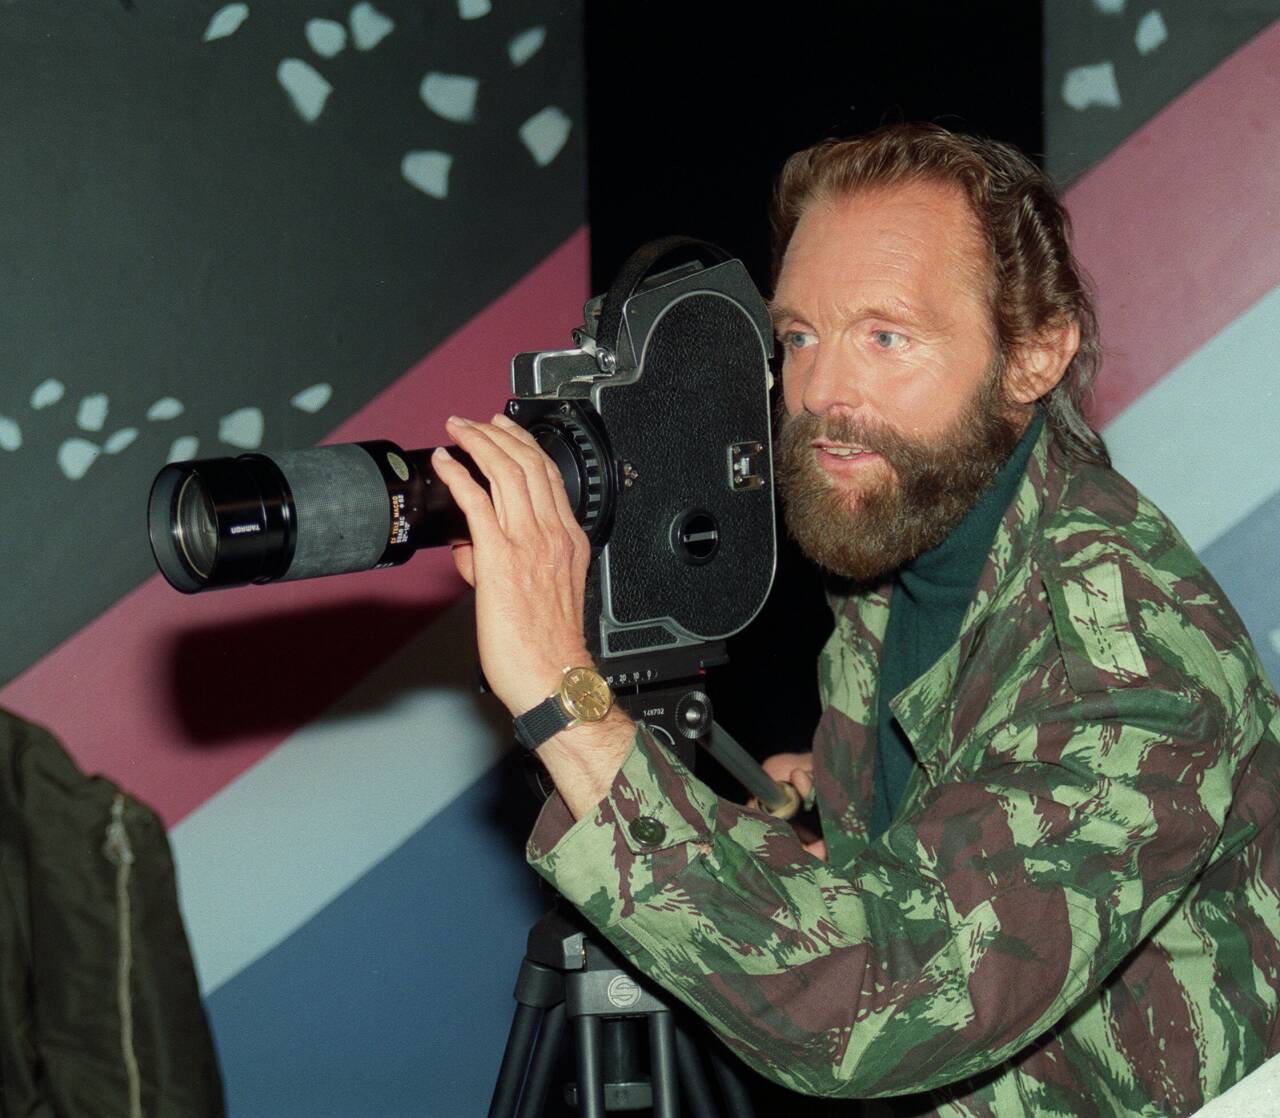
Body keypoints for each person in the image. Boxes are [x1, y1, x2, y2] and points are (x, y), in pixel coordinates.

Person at [432, 124, 1280, 1115]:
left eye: (885, 334)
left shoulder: (1123, 662)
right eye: (797, 335)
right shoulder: (901, 536)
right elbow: (952, 828)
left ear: (1035, 353)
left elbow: (870, 1000)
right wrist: (842, 810)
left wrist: (558, 689)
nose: (821, 393)